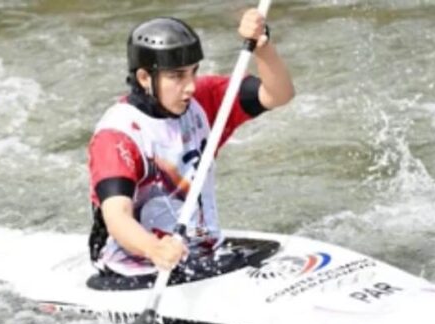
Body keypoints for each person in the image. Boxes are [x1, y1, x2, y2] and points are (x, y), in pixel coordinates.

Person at [87, 7, 294, 287]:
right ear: (144, 78)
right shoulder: (118, 135)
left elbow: (279, 94)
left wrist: (263, 48)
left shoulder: (203, 102)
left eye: (193, 73)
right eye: (177, 76)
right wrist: (155, 249)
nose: (190, 87)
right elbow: (117, 217)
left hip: (201, 254)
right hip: (134, 268)